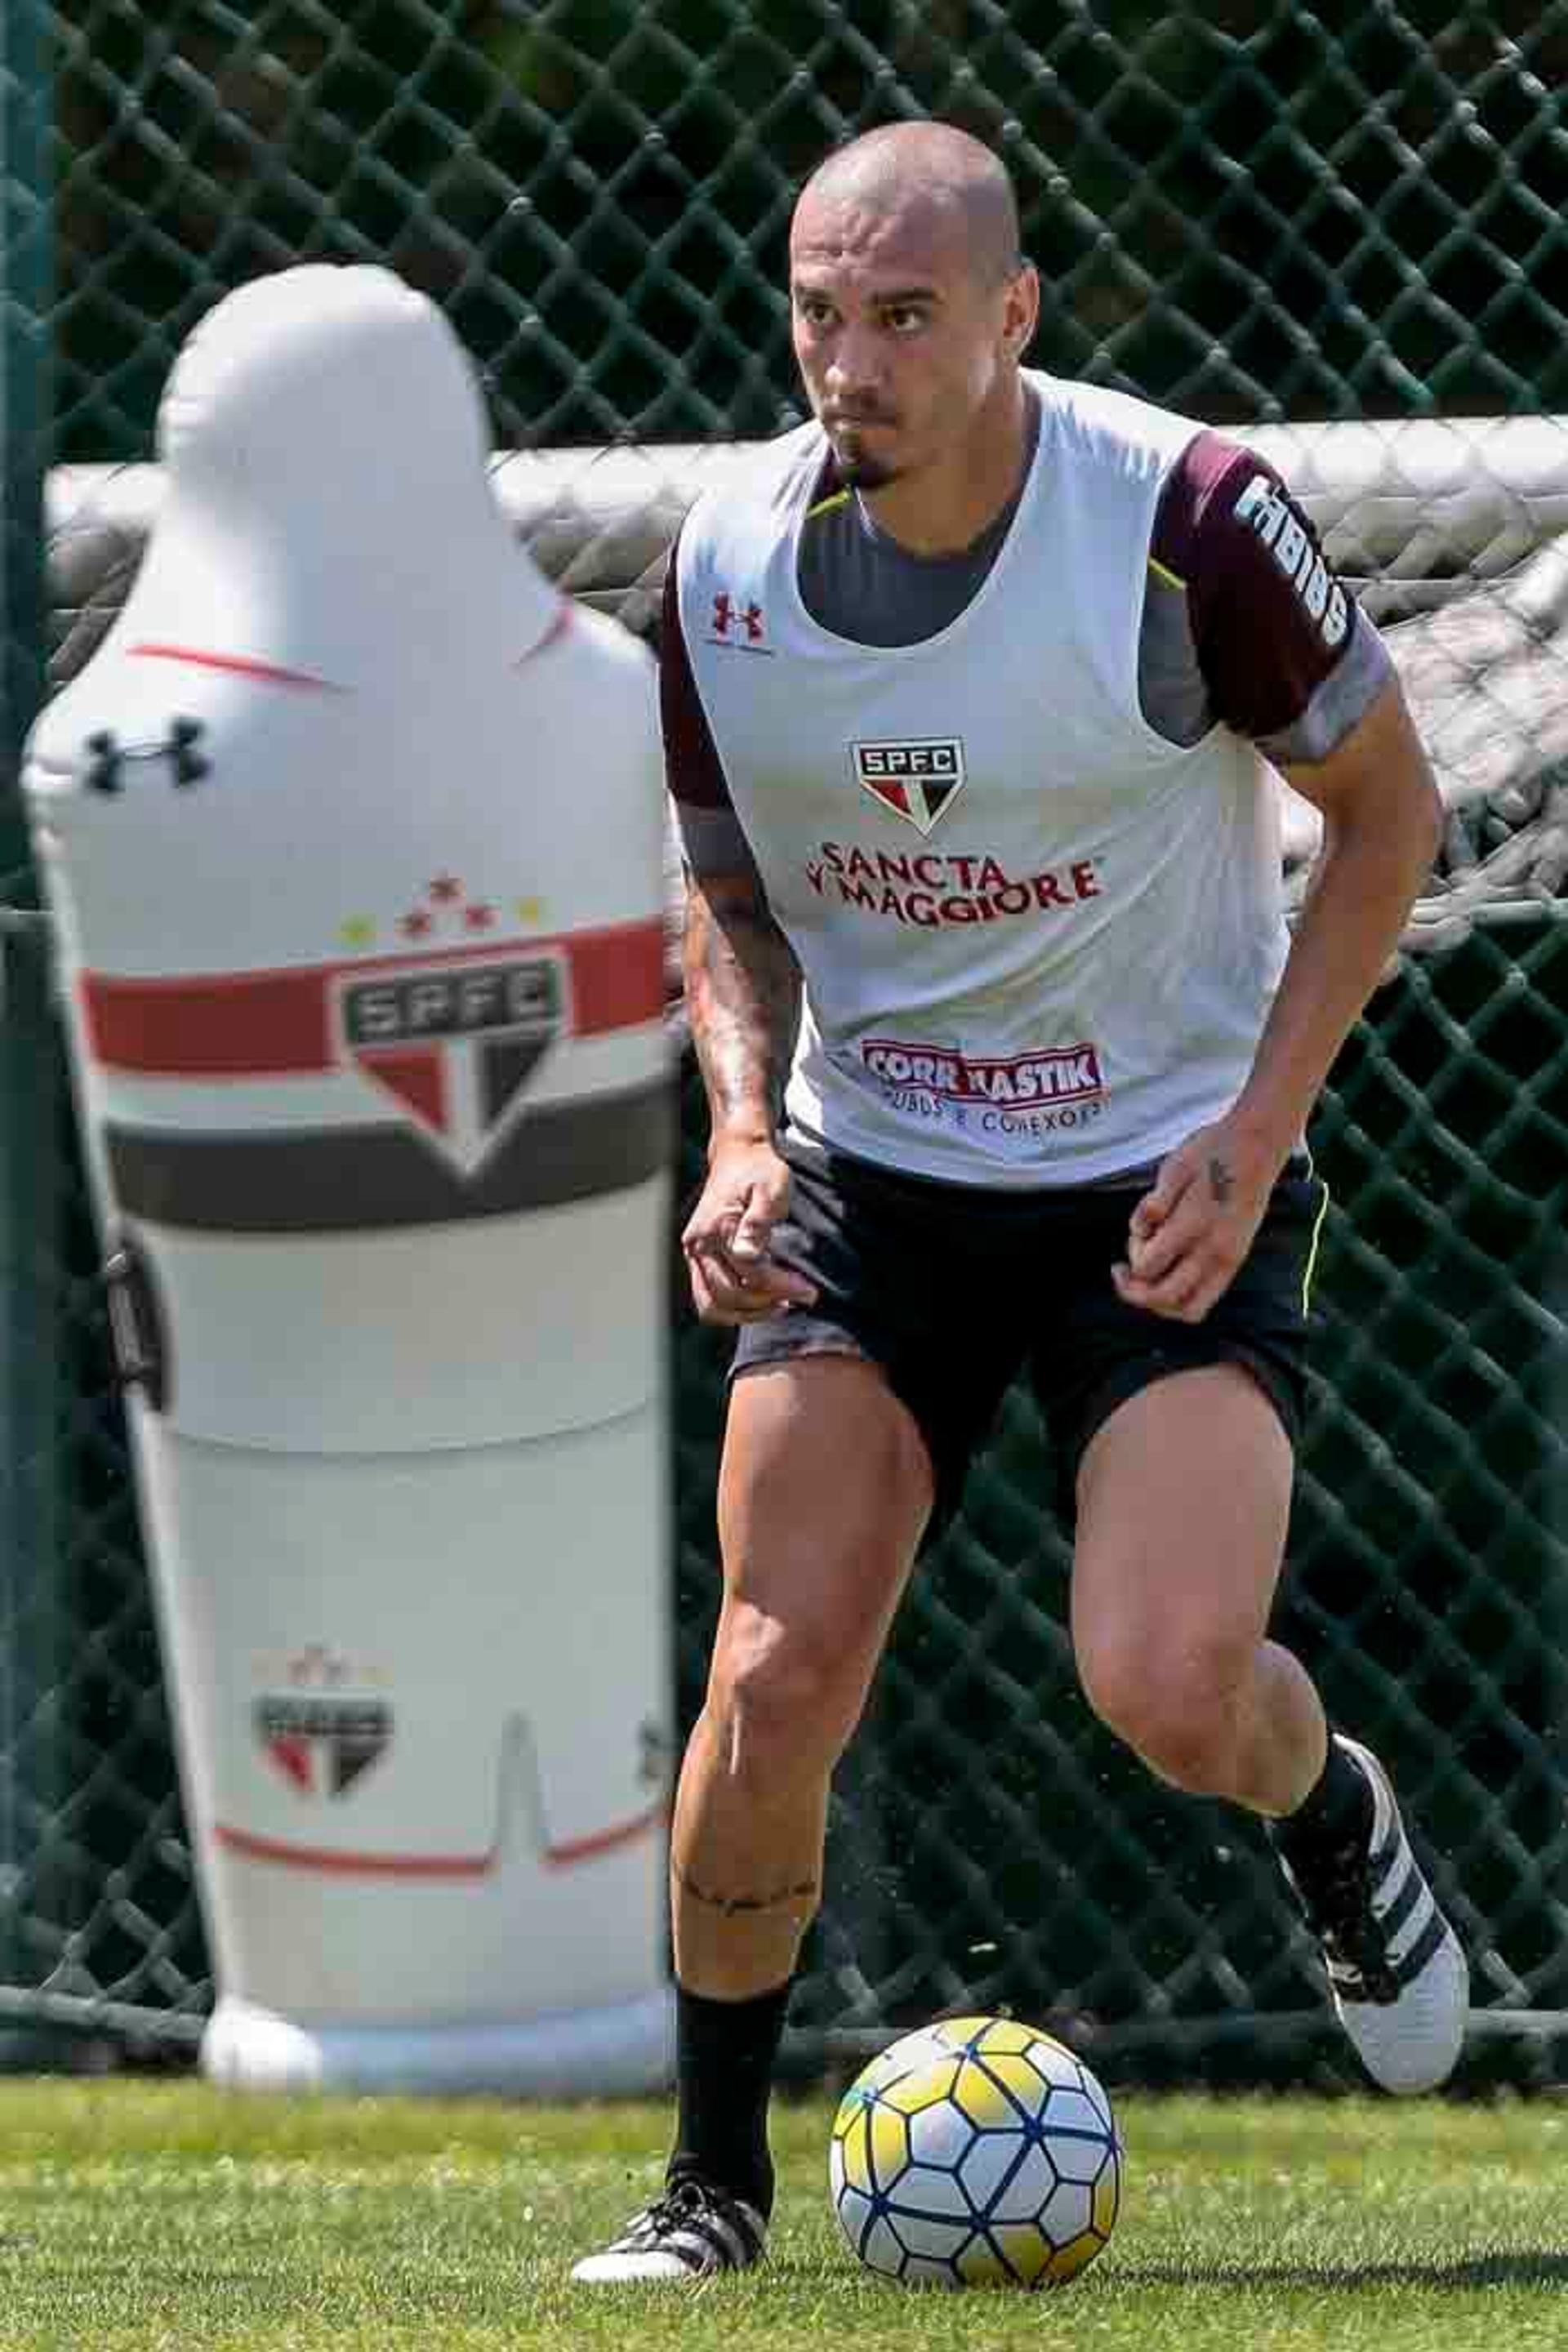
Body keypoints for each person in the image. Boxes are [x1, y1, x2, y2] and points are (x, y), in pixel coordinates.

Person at [572, 119, 1467, 2286]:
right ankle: (711, 2197)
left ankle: (1327, 1804)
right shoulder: (719, 574)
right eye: (816, 312)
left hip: (1161, 1180)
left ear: (1011, 317)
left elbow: (1388, 818)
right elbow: (721, 894)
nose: (847, 362)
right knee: (774, 1676)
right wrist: (745, 1133)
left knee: (1172, 1684)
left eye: (900, 316)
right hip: (878, 1181)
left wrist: (1253, 1134)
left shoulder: (1182, 527)